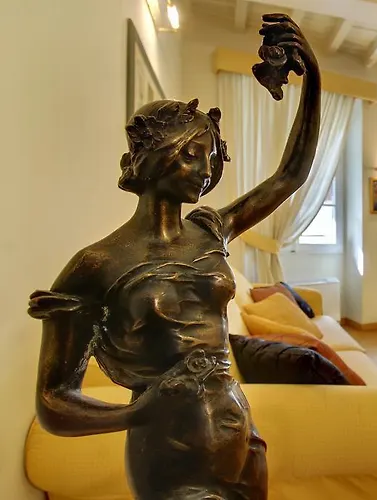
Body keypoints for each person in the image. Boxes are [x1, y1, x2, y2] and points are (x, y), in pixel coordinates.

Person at [27, 13, 320, 500]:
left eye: (210, 157)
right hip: (171, 452)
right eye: (190, 154)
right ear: (153, 157)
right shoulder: (97, 264)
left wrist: (313, 80)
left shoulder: (210, 230)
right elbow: (53, 402)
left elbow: (290, 175)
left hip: (240, 430)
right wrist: (137, 413)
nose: (205, 169)